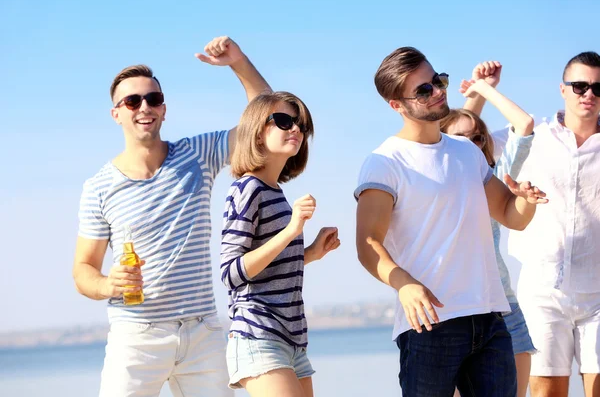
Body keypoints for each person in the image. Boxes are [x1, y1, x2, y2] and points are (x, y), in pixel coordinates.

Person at [72, 36, 271, 397]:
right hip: (136, 336)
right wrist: (107, 285)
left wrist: (238, 63)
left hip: (202, 334)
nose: (144, 107)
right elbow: (83, 269)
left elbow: (266, 123)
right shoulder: (98, 187)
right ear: (116, 113)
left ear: (164, 109)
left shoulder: (198, 154)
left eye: (153, 99)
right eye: (132, 100)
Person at [354, 46, 548, 396]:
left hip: (490, 318)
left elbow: (509, 215)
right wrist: (404, 283)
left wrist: (526, 200)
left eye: (437, 80)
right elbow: (367, 243)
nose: (439, 91)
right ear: (397, 105)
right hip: (430, 326)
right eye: (424, 90)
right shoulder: (384, 161)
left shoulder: (467, 152)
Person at [220, 91, 340, 397]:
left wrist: (311, 252)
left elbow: (270, 268)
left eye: (299, 124)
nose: (296, 129)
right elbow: (231, 273)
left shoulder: (274, 191)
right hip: (258, 335)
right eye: (284, 121)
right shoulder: (246, 189)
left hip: (292, 341)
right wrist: (290, 230)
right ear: (257, 132)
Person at [440, 62, 536, 397]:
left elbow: (524, 125)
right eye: (461, 140)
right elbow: (452, 131)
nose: (471, 144)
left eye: (479, 139)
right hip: (455, 312)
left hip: (504, 308)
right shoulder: (436, 180)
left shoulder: (496, 174)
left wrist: (484, 89)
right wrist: (475, 92)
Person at [508, 51, 600, 397]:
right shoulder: (537, 137)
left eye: (597, 87)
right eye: (579, 86)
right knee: (547, 393)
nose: (588, 94)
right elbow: (472, 137)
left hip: (598, 294)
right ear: (562, 89)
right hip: (543, 291)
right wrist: (480, 92)